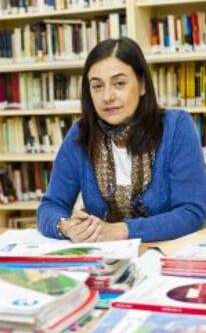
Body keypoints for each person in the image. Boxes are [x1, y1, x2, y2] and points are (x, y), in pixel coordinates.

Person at [37, 37, 206, 243]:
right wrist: (65, 226)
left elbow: (192, 212)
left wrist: (120, 230)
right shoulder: (81, 132)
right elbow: (50, 206)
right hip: (104, 257)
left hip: (164, 253)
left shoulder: (176, 126)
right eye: (97, 86)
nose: (107, 96)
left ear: (142, 84)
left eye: (119, 83)